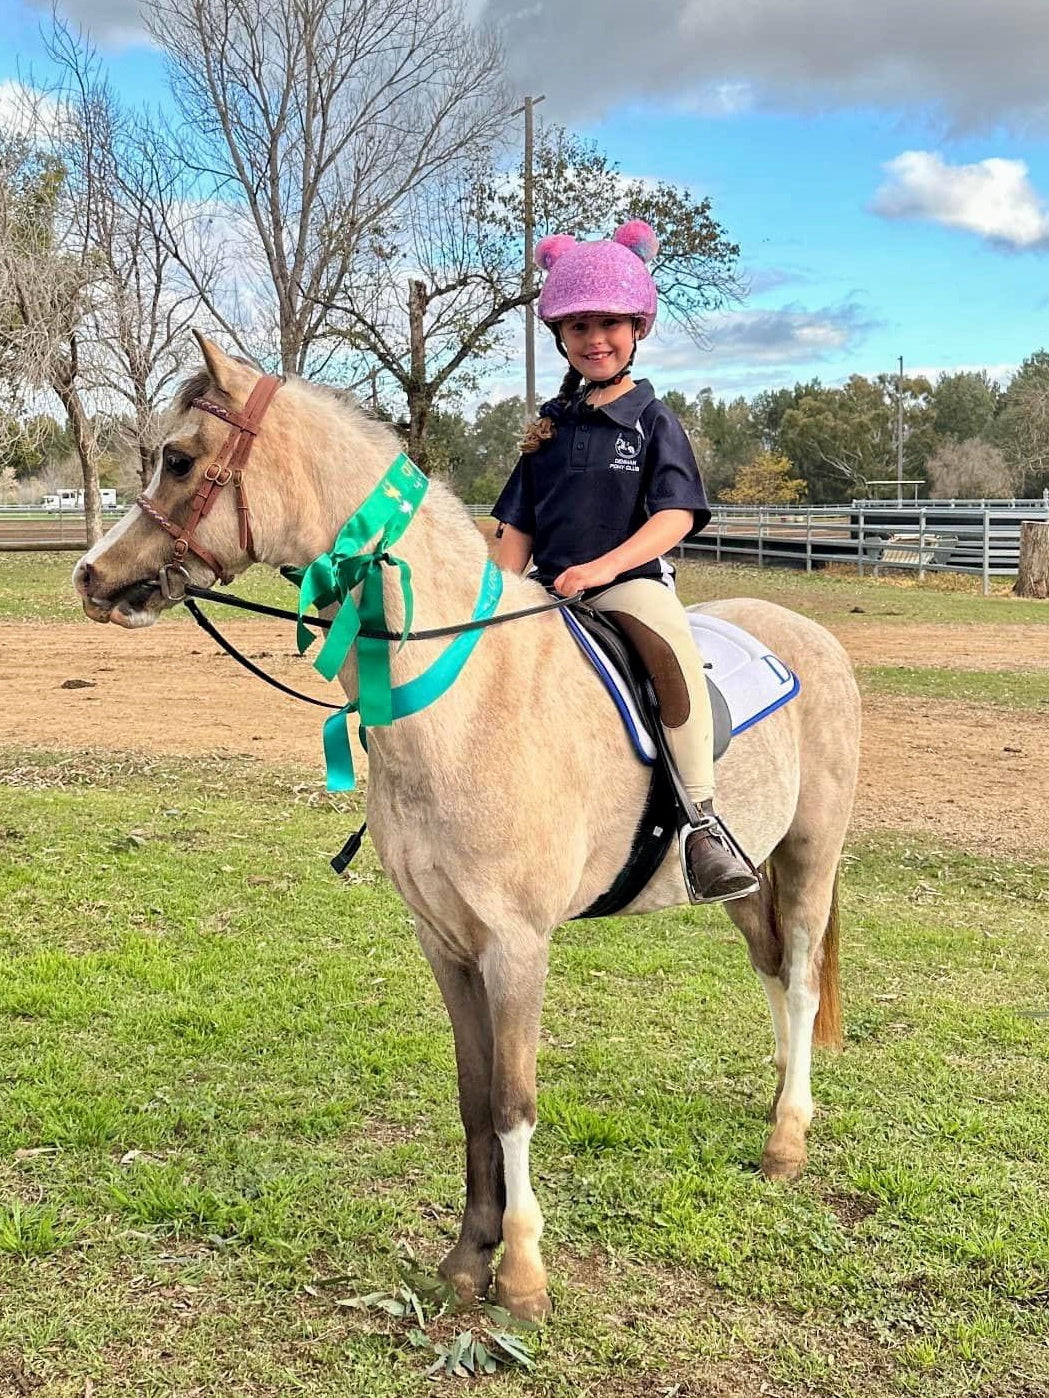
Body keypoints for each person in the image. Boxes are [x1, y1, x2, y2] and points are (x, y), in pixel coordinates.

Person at [493, 220, 759, 904]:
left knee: (671, 659)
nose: (594, 339)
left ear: (637, 327)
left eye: (609, 323)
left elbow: (674, 516)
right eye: (578, 326)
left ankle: (702, 823)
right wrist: (493, 593)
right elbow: (517, 526)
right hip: (544, 592)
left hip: (627, 587)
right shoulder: (550, 426)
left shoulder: (652, 419)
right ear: (560, 335)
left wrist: (601, 570)